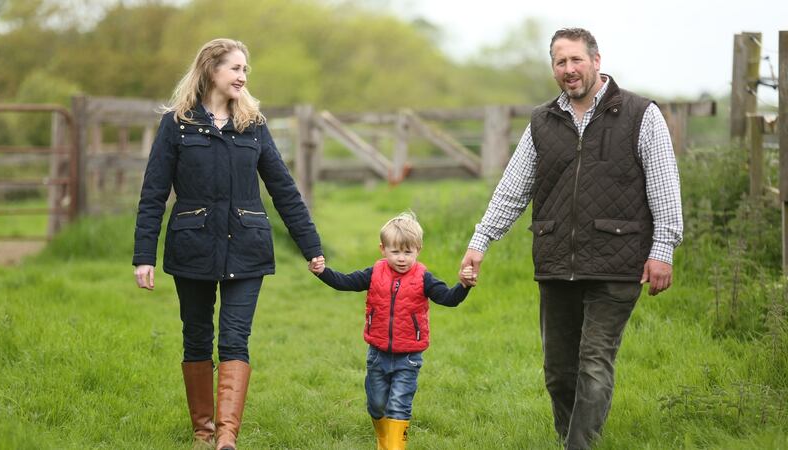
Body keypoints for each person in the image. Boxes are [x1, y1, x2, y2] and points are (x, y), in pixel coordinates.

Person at [459, 28, 683, 450]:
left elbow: (664, 186)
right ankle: (570, 439)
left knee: (594, 363)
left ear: (596, 61)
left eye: (576, 60)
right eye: (560, 62)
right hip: (557, 258)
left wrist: (663, 250)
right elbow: (513, 189)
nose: (569, 69)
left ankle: (580, 446)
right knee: (559, 371)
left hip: (619, 260)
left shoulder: (640, 114)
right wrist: (480, 241)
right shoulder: (543, 122)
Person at [132, 38, 322, 450]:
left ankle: (226, 437)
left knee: (235, 338)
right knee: (196, 337)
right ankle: (202, 433)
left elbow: (283, 190)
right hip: (192, 248)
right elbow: (153, 194)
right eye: (235, 68)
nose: (242, 76)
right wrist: (143, 255)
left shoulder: (253, 124)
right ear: (210, 70)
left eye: (245, 70)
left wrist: (312, 247)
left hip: (247, 247)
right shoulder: (176, 124)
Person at [308, 212, 471, 450]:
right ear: (383, 249)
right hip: (377, 355)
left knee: (398, 405)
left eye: (408, 252)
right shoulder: (374, 273)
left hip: (409, 358)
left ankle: (394, 447)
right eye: (396, 252)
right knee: (376, 404)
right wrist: (322, 272)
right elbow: (344, 282)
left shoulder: (423, 278)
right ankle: (383, 441)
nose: (402, 258)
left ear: (419, 249)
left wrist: (464, 286)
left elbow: (448, 298)